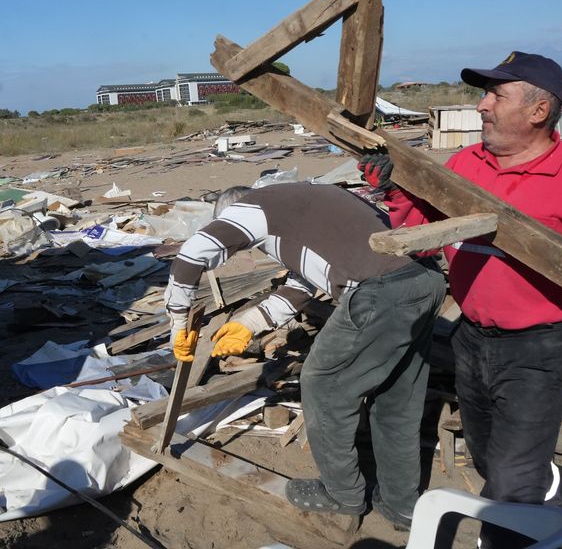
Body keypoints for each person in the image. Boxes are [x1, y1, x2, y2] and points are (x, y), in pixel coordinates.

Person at [359, 51, 562, 548]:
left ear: (537, 111)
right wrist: (397, 190)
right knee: (489, 457)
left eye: (495, 95)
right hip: (471, 337)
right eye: (484, 94)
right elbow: (421, 234)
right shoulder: (465, 163)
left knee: (508, 487)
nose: (481, 106)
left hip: (540, 346)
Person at [164, 182, 446, 527]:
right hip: (423, 282)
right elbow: (304, 283)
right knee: (396, 400)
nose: (243, 248)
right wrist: (249, 323)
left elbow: (193, 254)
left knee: (323, 385)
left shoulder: (251, 208)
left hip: (383, 291)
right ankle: (400, 503)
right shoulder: (298, 210)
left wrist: (179, 321)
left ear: (231, 212)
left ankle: (342, 493)